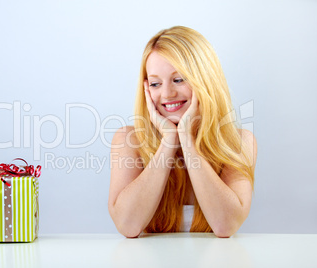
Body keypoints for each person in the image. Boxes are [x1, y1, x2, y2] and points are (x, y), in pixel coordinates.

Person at [108, 26, 257, 238]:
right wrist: (169, 141)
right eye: (156, 83)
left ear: (205, 81)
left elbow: (226, 226)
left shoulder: (240, 142)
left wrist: (186, 139)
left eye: (178, 79)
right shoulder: (128, 140)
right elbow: (127, 225)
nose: (167, 93)